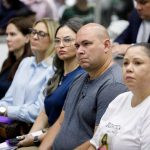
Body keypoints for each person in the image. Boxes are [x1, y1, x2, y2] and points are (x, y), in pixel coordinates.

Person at [37, 23, 128, 150]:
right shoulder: (79, 77)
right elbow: (60, 123)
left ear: (106, 45)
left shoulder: (113, 85)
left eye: (86, 44)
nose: (79, 51)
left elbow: (99, 141)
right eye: (77, 46)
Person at [16, 18, 84, 150]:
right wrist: (29, 137)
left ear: (80, 43)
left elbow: (67, 124)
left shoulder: (81, 76)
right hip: (44, 137)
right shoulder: (56, 74)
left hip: (62, 141)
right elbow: (44, 113)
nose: (61, 45)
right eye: (57, 41)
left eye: (67, 40)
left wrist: (34, 138)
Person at [89, 43, 150, 150]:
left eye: (137, 63)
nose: (129, 68)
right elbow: (94, 145)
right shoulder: (120, 99)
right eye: (125, 63)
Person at [0, 18, 59, 124]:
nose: (35, 37)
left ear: (52, 39)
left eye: (41, 34)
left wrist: (6, 111)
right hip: (12, 125)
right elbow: (8, 98)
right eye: (33, 32)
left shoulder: (53, 69)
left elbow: (38, 111)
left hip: (32, 130)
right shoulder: (25, 62)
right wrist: (2, 108)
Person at [0, 17, 33, 99]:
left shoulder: (31, 65)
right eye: (7, 34)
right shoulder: (7, 62)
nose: (8, 39)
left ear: (27, 38)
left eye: (12, 34)